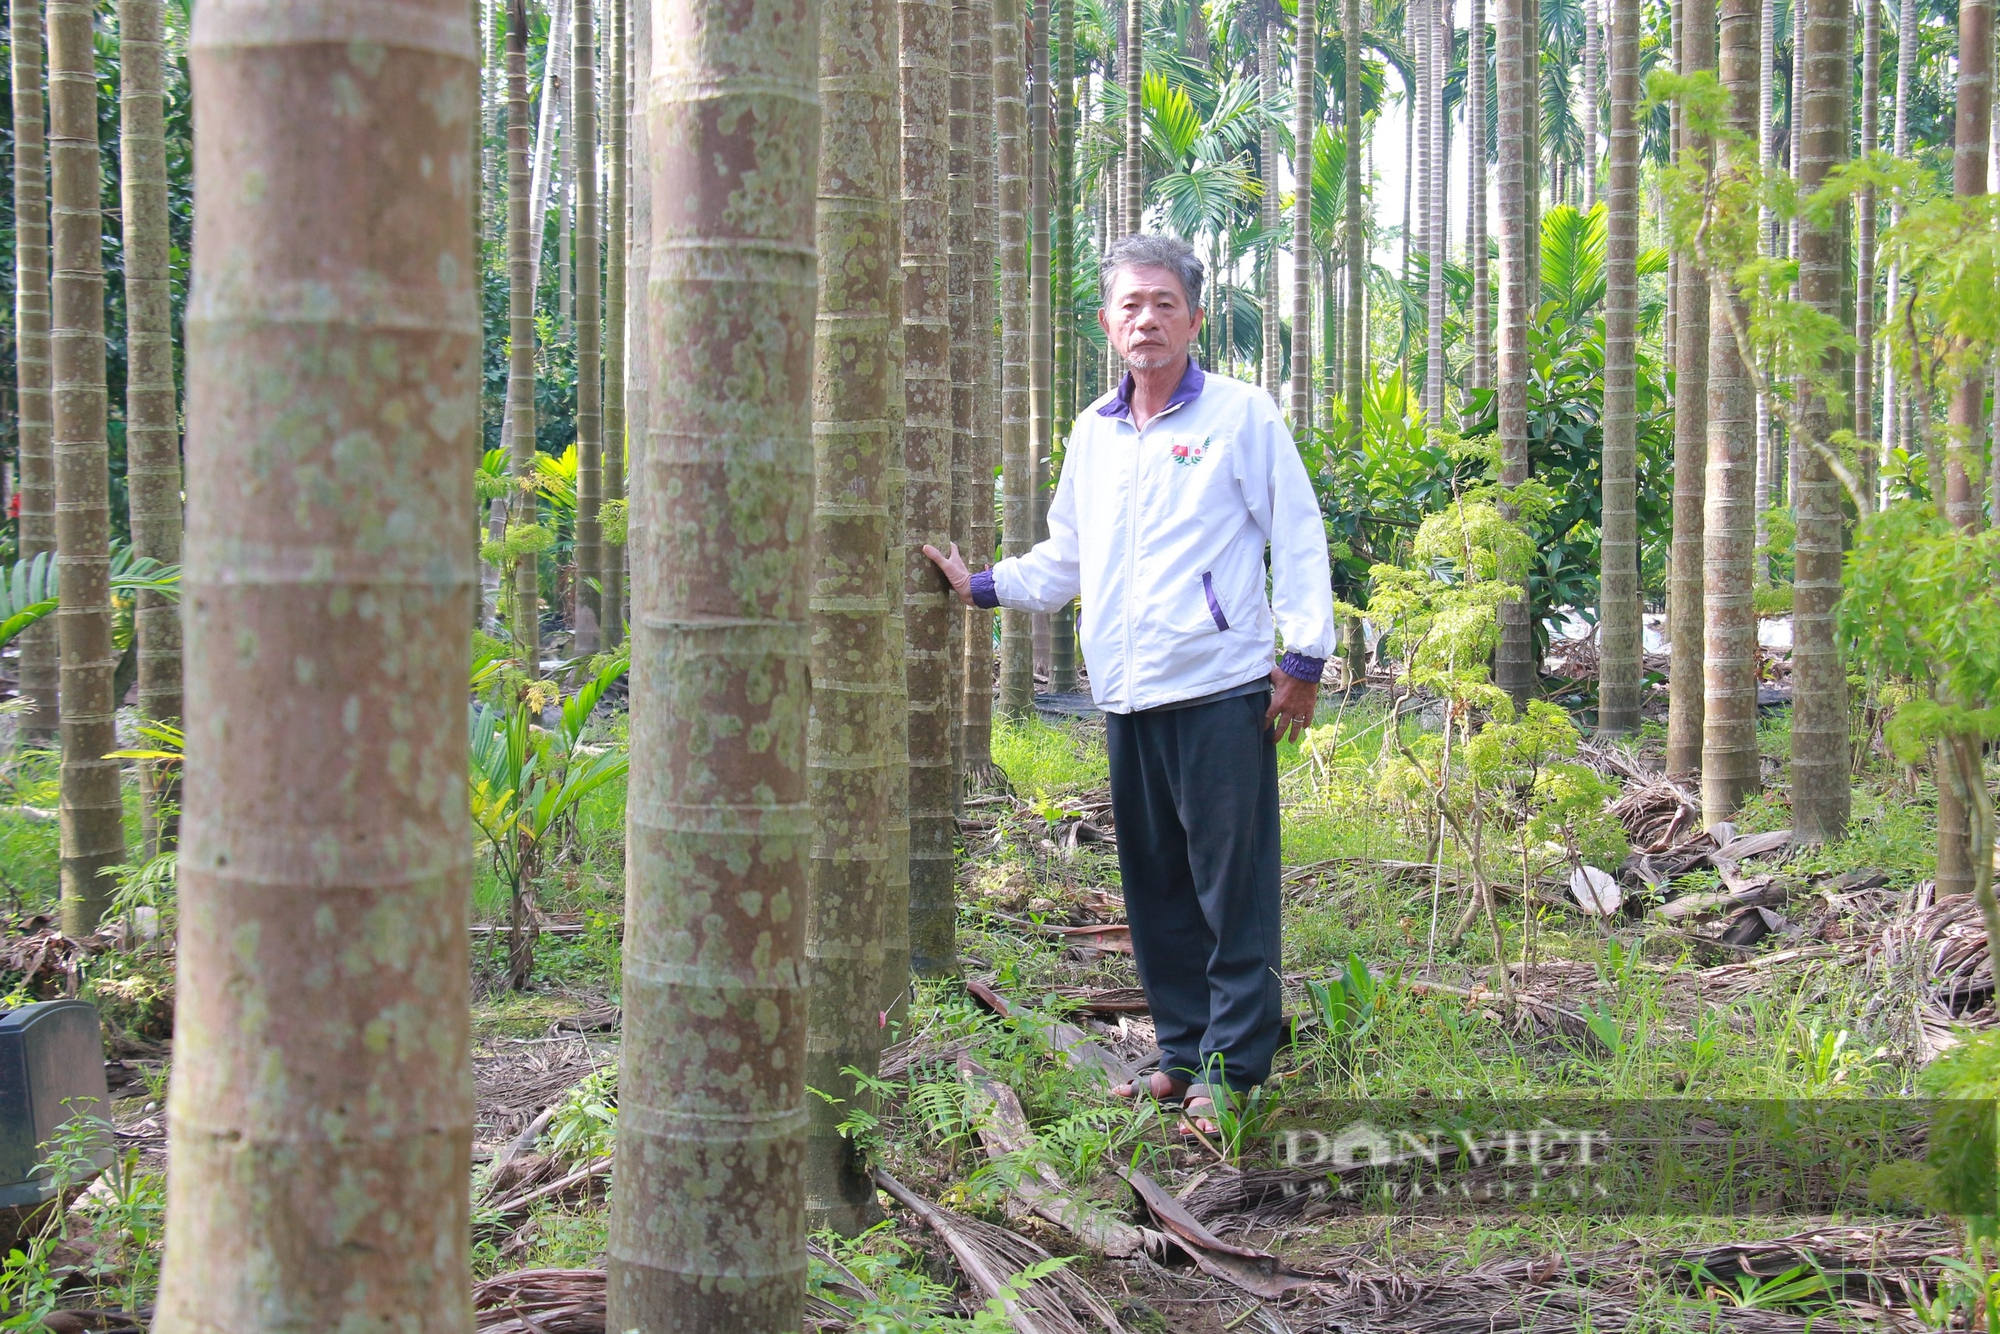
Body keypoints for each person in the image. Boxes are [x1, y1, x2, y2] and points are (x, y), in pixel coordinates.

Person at [925, 233, 1336, 1133]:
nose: (1146, 319)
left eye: (1163, 303)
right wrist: (983, 586)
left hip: (1223, 689)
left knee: (1230, 888)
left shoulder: (1240, 416)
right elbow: (1068, 554)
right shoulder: (1095, 431)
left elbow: (1298, 537)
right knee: (1154, 889)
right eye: (1129, 305)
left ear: (1194, 316)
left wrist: (1301, 662)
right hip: (1127, 694)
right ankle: (1181, 1051)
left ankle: (1232, 1070)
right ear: (1108, 323)